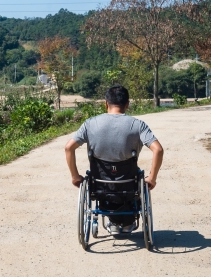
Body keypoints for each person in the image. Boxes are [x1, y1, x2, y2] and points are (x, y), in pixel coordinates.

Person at [64, 85, 164, 234]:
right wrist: (152, 178)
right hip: (128, 185)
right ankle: (127, 221)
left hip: (100, 184)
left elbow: (68, 148)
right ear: (127, 104)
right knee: (138, 177)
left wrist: (74, 176)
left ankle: (113, 219)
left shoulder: (90, 123)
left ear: (106, 103)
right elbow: (158, 150)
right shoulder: (138, 125)